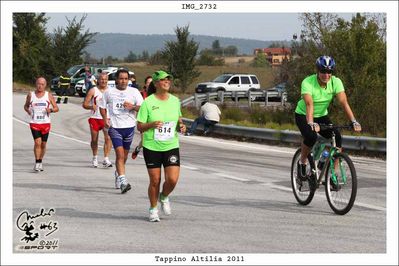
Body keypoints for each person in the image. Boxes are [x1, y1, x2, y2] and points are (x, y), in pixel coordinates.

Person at [294, 55, 362, 180]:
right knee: (311, 136)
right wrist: (311, 123)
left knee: (337, 137)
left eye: (329, 71)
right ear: (317, 71)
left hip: (321, 115)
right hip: (304, 114)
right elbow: (309, 104)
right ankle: (302, 162)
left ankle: (333, 173)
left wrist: (353, 121)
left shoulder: (336, 82)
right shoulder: (308, 82)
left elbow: (344, 102)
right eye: (323, 71)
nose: (326, 75)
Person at [137, 70, 186, 222]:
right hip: (152, 146)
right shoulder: (148, 102)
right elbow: (140, 126)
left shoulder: (175, 101)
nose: (167, 82)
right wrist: (151, 124)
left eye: (168, 80)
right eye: (164, 80)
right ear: (156, 84)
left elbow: (178, 120)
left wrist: (181, 126)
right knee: (155, 180)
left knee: (172, 179)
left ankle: (163, 196)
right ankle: (153, 209)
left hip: (171, 145)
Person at [99, 68, 144, 193]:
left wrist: (133, 107)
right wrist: (105, 119)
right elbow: (102, 107)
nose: (123, 81)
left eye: (125, 78)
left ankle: (118, 174)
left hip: (129, 127)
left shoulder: (134, 92)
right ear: (116, 79)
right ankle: (124, 182)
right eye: (121, 78)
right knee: (119, 154)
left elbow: (143, 108)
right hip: (115, 127)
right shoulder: (109, 92)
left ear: (128, 80)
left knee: (124, 156)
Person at [23, 77, 59, 172]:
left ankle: (40, 161)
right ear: (36, 84)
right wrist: (28, 111)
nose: (40, 86)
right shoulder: (31, 95)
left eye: (42, 84)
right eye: (39, 84)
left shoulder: (48, 95)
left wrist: (50, 110)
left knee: (43, 144)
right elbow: (26, 106)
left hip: (45, 123)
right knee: (37, 142)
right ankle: (37, 162)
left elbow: (56, 108)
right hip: (34, 123)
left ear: (45, 85)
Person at [82, 72, 113, 168]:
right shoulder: (93, 90)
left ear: (107, 81)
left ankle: (106, 158)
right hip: (95, 118)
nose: (103, 81)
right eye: (101, 79)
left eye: (105, 79)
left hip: (106, 118)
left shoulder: (111, 91)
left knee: (108, 138)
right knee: (94, 140)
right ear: (98, 80)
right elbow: (84, 104)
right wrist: (91, 106)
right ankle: (95, 157)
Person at [131, 75, 152, 160]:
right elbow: (135, 106)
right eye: (148, 83)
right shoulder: (140, 94)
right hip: (143, 119)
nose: (150, 84)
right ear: (145, 84)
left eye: (151, 83)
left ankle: (138, 148)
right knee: (145, 139)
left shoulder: (156, 95)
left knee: (151, 137)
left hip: (153, 119)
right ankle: (144, 152)